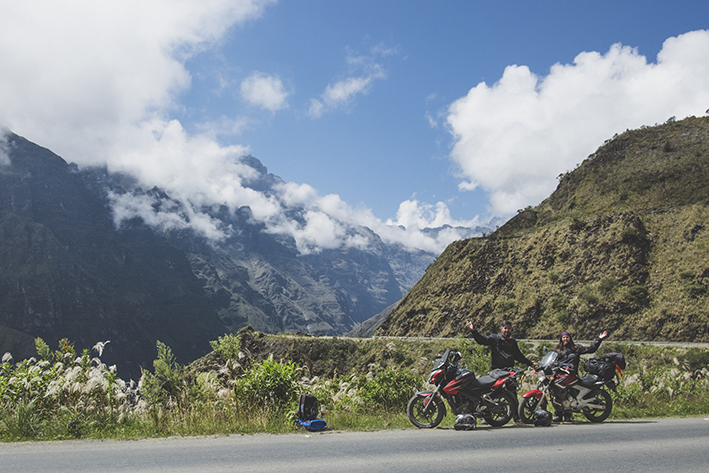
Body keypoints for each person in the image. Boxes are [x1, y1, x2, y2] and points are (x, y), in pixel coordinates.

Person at [465, 320, 536, 422]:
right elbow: (481, 340)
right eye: (505, 328)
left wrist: (531, 364)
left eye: (509, 328)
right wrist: (473, 330)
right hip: (497, 371)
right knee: (492, 392)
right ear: (502, 329)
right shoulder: (495, 339)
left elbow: (519, 356)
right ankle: (486, 415)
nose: (507, 330)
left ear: (511, 330)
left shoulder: (513, 342)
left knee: (512, 393)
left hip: (509, 371)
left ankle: (516, 417)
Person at [552, 330, 609, 422]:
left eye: (567, 337)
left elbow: (591, 349)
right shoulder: (557, 349)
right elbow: (550, 357)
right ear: (561, 339)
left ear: (570, 338)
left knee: (569, 393)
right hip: (560, 374)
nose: (565, 339)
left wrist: (599, 339)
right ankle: (558, 415)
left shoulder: (576, 348)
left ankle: (568, 415)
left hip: (571, 374)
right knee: (557, 393)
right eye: (564, 337)